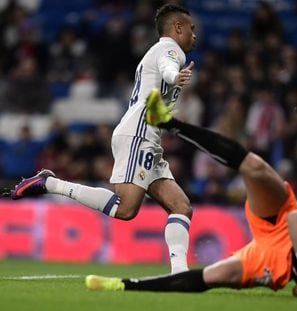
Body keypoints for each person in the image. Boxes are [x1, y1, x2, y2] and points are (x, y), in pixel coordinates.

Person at [84, 89, 297, 299]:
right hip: (283, 217)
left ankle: (125, 285)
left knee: (214, 277)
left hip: (275, 261)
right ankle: (170, 124)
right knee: (254, 167)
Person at [9, 4, 197, 275]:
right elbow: (169, 66)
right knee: (125, 209)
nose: (194, 35)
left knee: (181, 207)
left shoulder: (155, 52)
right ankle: (50, 183)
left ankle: (180, 275)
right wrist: (174, 75)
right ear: (177, 27)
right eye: (191, 29)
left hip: (147, 139)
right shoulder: (170, 50)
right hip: (138, 135)